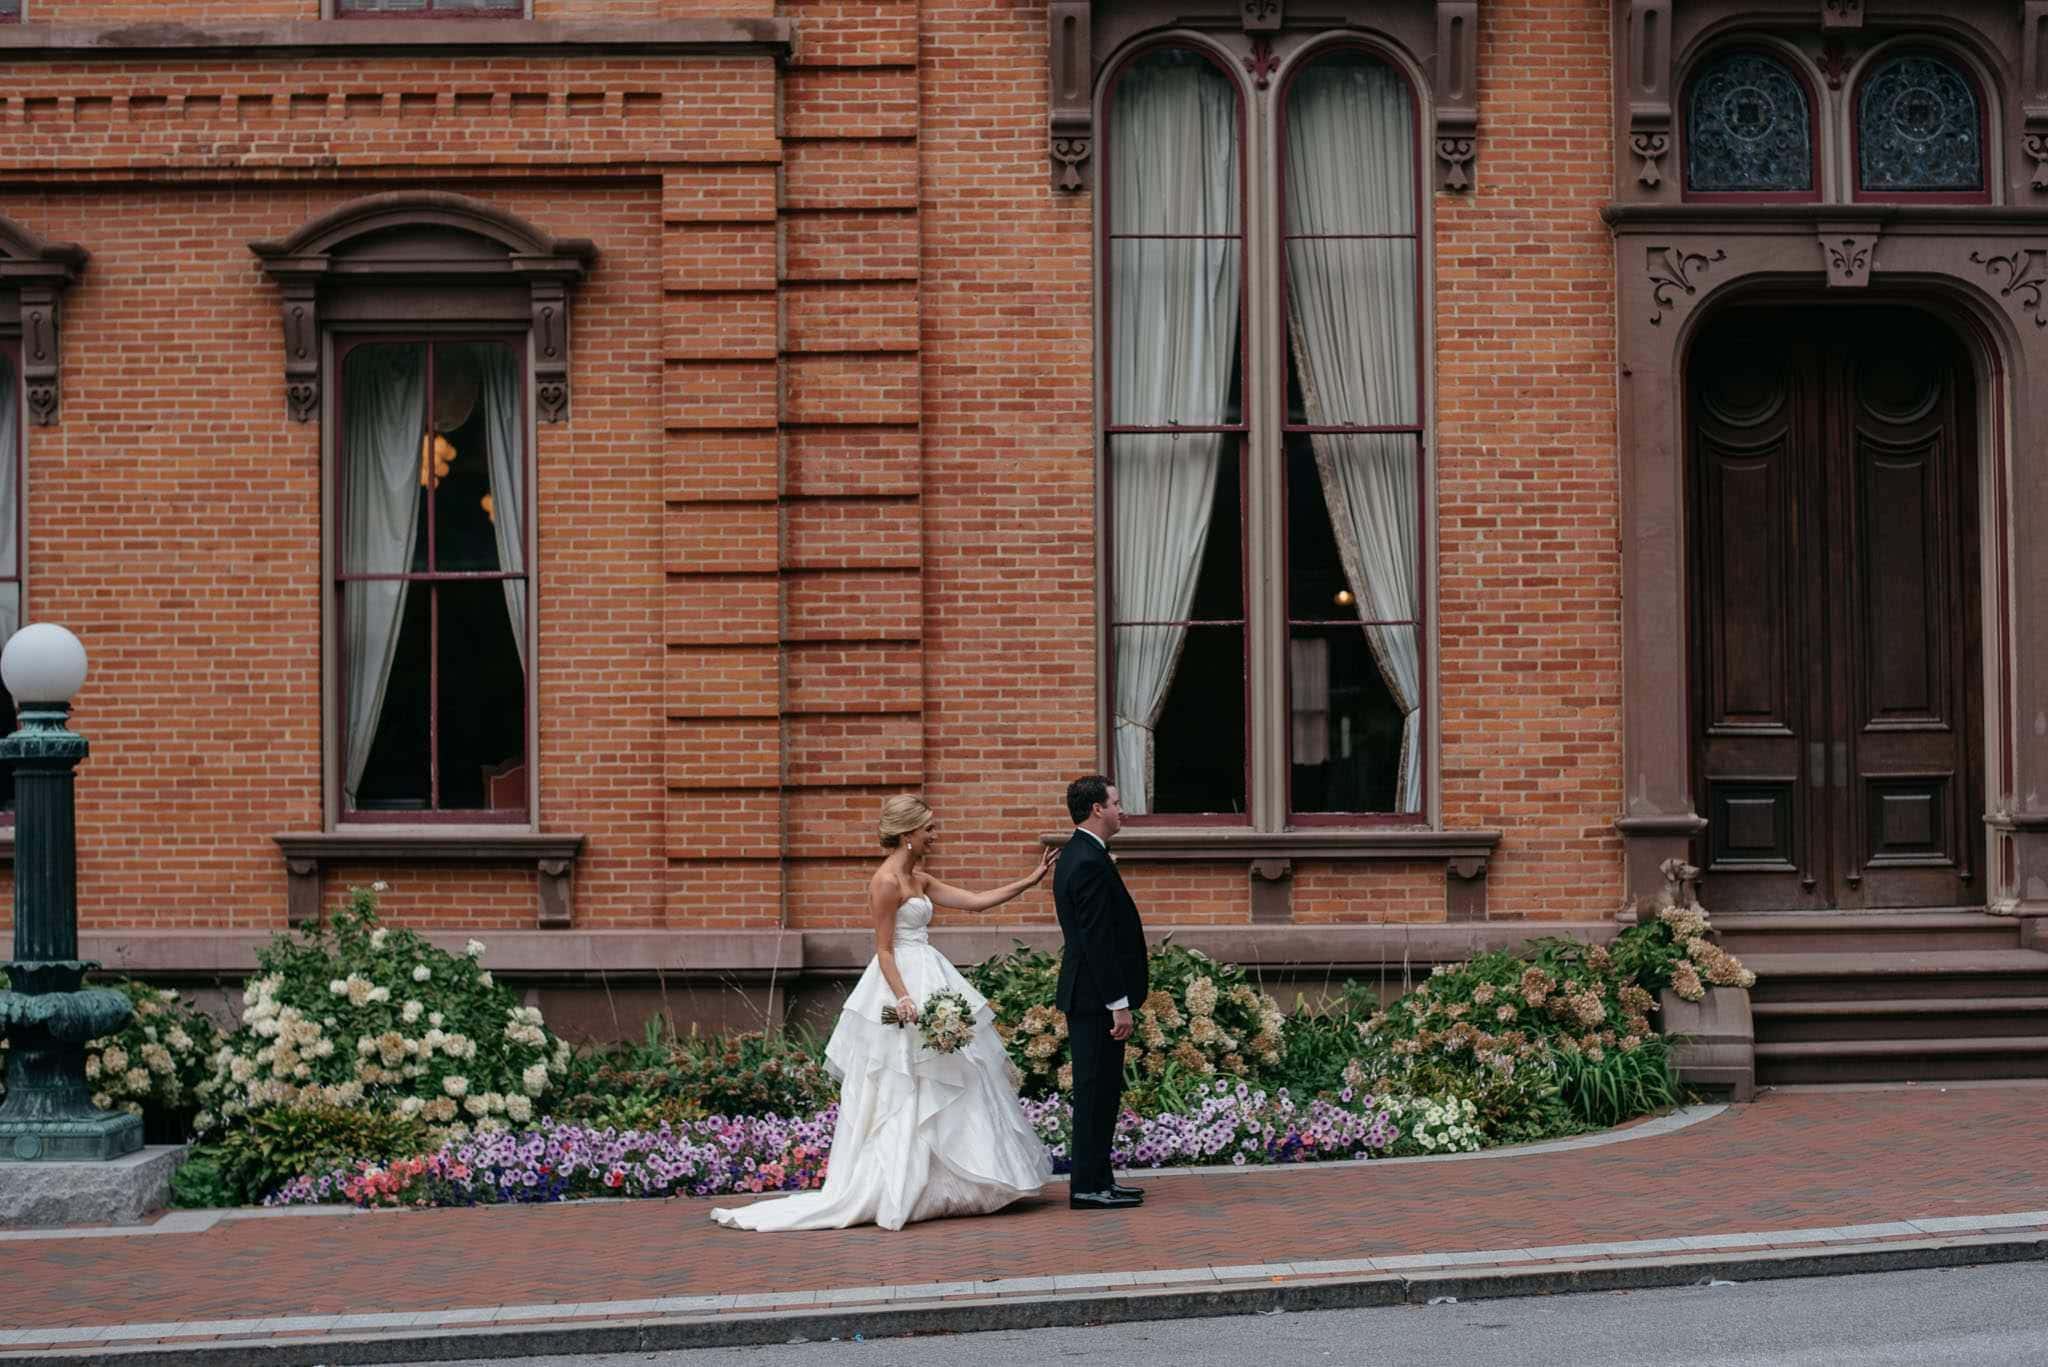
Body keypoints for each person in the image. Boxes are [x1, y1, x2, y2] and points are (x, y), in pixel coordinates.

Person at [710, 794, 1056, 1232]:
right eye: (929, 828)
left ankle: (960, 1179)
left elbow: (976, 901)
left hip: (932, 972)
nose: (935, 835)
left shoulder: (921, 878)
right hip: (900, 983)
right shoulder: (886, 882)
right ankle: (901, 1179)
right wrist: (904, 997)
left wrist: (1030, 880)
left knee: (951, 1072)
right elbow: (884, 949)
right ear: (909, 833)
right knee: (903, 1081)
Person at [1051, 774, 1150, 1211]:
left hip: (1092, 998)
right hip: (1094, 1000)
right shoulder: (1087, 860)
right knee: (1094, 1093)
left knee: (1104, 1092)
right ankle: (1087, 1187)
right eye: (1115, 801)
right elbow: (1097, 940)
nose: (1121, 808)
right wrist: (1119, 1004)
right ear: (1097, 809)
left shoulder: (1085, 854)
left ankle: (1100, 1180)